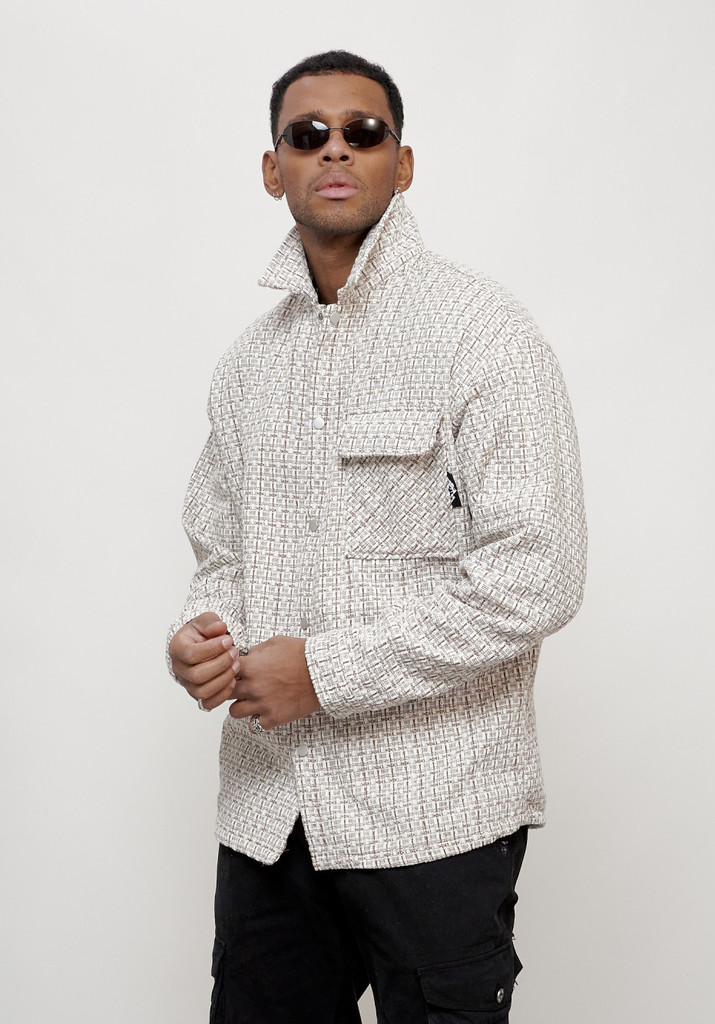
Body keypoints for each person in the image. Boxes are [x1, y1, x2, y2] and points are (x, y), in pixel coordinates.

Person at [168, 49, 586, 1024]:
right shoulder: (246, 365)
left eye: (364, 132)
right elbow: (220, 553)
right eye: (307, 134)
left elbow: (540, 572)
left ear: (403, 163)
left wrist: (326, 672)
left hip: (435, 815)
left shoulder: (482, 330)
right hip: (270, 818)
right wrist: (201, 634)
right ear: (272, 167)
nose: (335, 150)